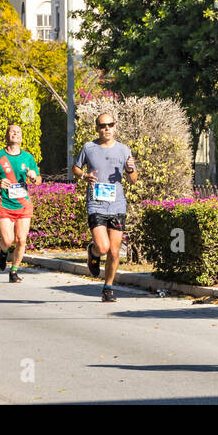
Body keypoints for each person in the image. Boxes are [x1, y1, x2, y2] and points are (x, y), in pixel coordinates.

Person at [73, 110, 138, 303]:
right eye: (102, 126)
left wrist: (131, 169)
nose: (106, 129)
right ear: (97, 128)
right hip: (96, 204)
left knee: (115, 251)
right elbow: (75, 168)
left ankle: (108, 288)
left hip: (117, 204)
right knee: (103, 247)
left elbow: (133, 180)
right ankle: (93, 252)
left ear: (115, 127)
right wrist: (84, 176)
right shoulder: (89, 147)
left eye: (110, 125)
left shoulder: (124, 150)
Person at [0, 124, 41, 283]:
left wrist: (34, 177)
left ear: (21, 138)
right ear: (7, 136)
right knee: (8, 241)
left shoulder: (28, 158)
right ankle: (3, 251)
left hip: (23, 204)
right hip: (4, 203)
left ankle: (14, 271)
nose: (15, 134)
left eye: (18, 132)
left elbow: (38, 179)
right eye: (12, 132)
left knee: (21, 240)